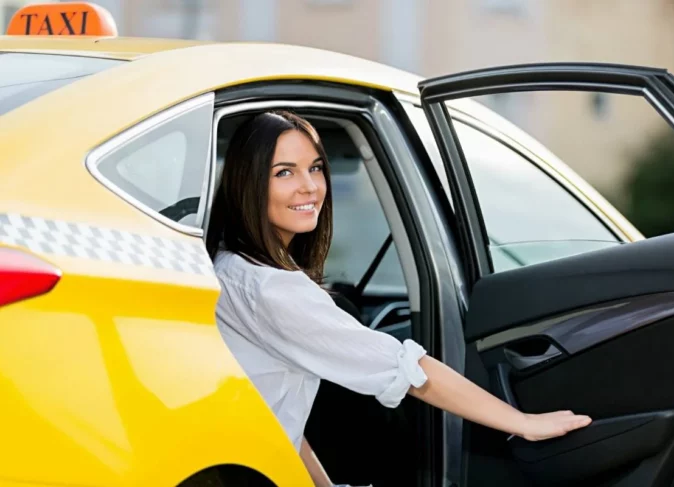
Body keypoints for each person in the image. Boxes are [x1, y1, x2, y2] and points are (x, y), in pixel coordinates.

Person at [206, 111, 592, 487]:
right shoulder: (273, 289)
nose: (309, 186)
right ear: (248, 183)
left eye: (316, 167)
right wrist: (524, 423)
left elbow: (276, 415)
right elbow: (408, 370)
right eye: (284, 172)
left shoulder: (228, 265)